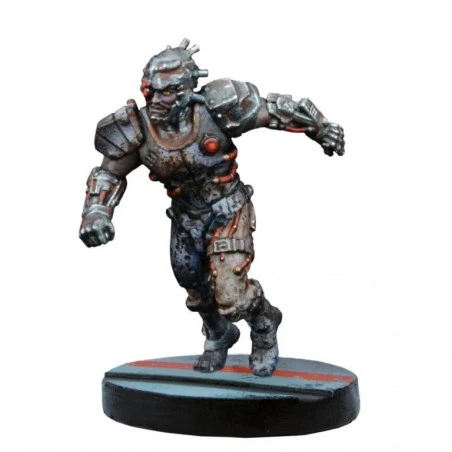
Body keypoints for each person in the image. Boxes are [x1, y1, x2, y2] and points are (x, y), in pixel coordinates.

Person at [79, 39, 345, 377]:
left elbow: (275, 111)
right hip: (186, 215)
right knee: (193, 285)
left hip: (227, 207)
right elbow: (108, 172)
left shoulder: (216, 108)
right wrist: (96, 212)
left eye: (169, 92)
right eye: (153, 91)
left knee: (231, 296)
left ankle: (264, 324)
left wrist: (320, 129)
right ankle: (219, 334)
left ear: (188, 90)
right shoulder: (136, 129)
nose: (158, 101)